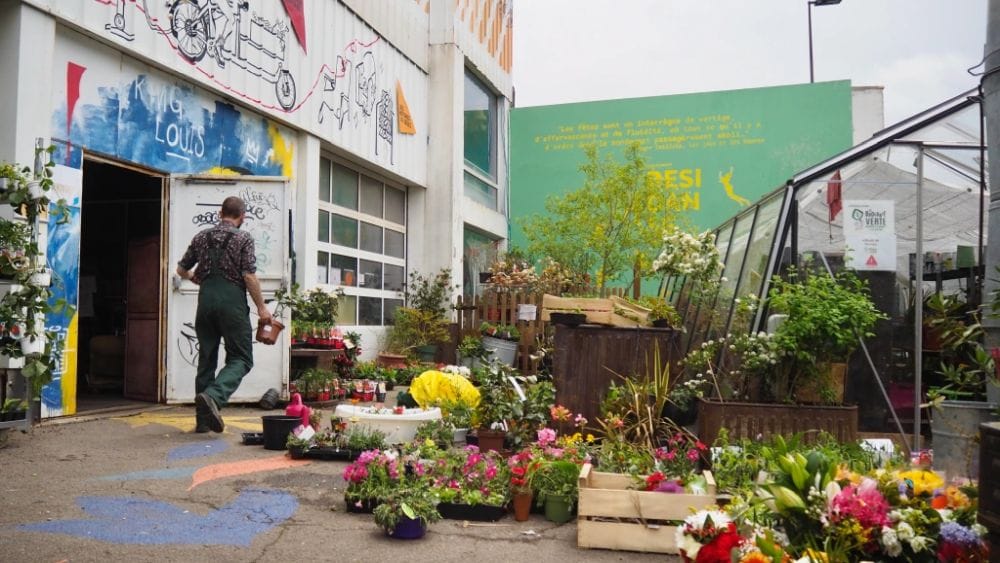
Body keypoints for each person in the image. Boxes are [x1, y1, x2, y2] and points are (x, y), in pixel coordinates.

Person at [175, 196, 272, 433]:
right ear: (242, 217)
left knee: (206, 358)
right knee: (241, 358)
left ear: (220, 213)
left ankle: (203, 421)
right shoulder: (243, 237)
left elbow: (181, 269)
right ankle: (214, 397)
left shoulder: (200, 237)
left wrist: (197, 279)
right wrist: (261, 307)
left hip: (205, 302)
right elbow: (248, 276)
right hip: (232, 303)